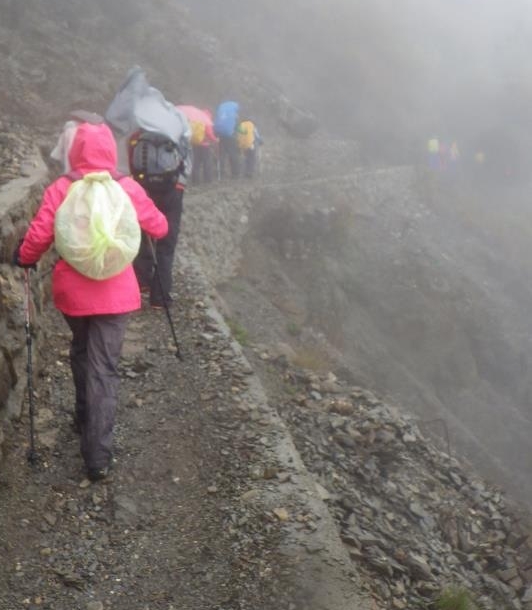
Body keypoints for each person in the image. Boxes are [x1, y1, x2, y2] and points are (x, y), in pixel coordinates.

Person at [12, 122, 168, 482]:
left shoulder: (62, 188)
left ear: (75, 151)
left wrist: (23, 257)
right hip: (117, 294)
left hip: (73, 293)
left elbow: (38, 234)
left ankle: (83, 416)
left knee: (82, 350)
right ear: (111, 152)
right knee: (104, 367)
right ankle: (97, 455)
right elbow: (159, 227)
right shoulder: (126, 187)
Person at [129, 127, 192, 309]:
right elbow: (187, 166)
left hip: (144, 189)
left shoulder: (138, 135)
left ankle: (141, 281)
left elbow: (130, 164)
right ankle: (160, 296)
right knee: (166, 244)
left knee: (143, 234)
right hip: (172, 192)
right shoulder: (178, 134)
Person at [177, 105, 218, 185]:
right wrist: (215, 139)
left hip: (195, 144)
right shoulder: (206, 120)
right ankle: (208, 179)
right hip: (205, 145)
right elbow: (209, 133)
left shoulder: (194, 120)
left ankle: (195, 180)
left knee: (196, 162)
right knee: (207, 162)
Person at [213, 100, 240, 179]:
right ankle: (235, 173)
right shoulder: (234, 115)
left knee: (222, 155)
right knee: (233, 155)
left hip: (221, 136)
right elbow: (238, 127)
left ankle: (221, 173)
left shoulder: (221, 114)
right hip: (231, 137)